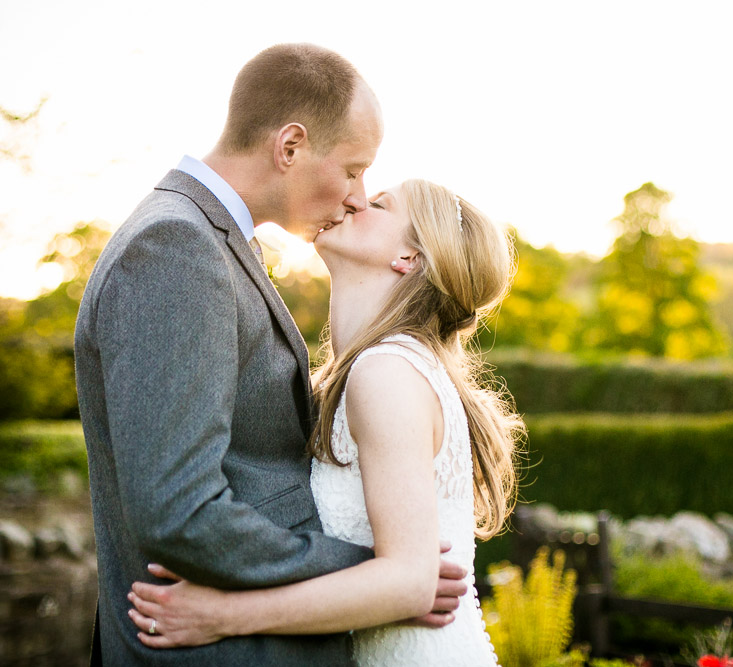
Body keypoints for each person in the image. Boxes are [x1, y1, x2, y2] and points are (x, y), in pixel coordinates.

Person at [74, 44, 466, 666]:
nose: (358, 195)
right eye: (354, 168)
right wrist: (375, 575)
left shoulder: (214, 244)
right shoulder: (176, 246)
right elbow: (180, 511)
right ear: (290, 147)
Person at [125, 179, 523, 666]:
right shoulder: (369, 371)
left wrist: (223, 615)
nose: (354, 198)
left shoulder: (386, 373)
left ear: (408, 258)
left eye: (379, 204)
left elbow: (410, 583)